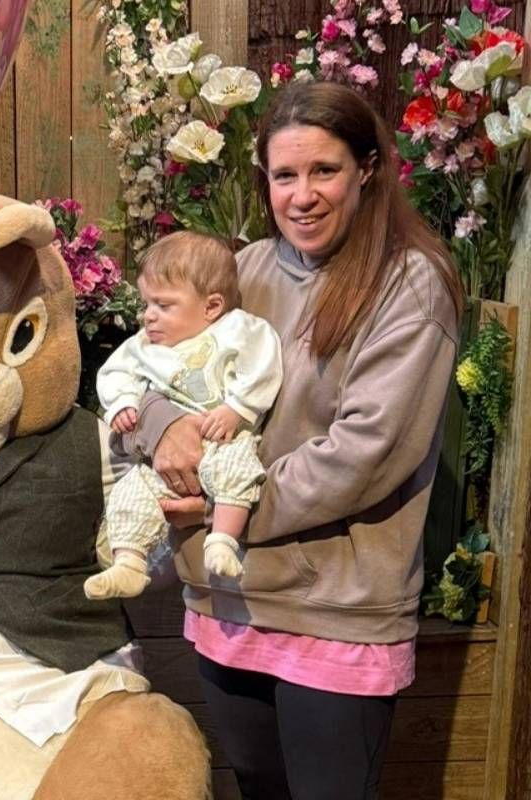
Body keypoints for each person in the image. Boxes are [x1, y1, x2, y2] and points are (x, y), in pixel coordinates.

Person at [132, 81, 464, 799]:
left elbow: (364, 455)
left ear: (367, 169)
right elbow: (150, 367)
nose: (302, 196)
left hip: (336, 611)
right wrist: (163, 428)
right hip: (231, 597)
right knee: (259, 788)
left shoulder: (411, 286)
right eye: (285, 175)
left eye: (324, 171)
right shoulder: (244, 270)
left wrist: (224, 504)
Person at [85, 231, 282, 601]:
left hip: (223, 438)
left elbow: (263, 363)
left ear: (211, 306)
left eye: (164, 305)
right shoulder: (145, 346)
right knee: (131, 490)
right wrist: (124, 403)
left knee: (237, 471)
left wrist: (238, 408)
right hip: (164, 462)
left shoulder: (236, 329)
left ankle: (222, 541)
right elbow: (114, 372)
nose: (149, 316)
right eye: (147, 303)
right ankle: (129, 562)